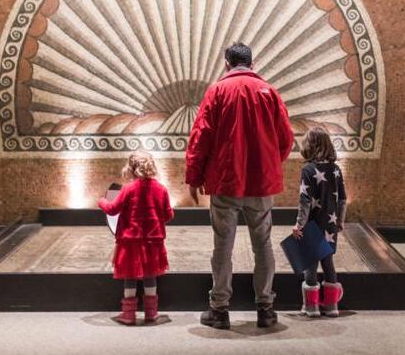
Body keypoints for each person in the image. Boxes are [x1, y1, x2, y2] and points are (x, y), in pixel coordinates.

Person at [185, 42, 294, 329]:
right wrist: (268, 163)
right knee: (263, 245)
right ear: (252, 63)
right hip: (260, 185)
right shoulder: (269, 93)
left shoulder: (217, 91)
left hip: (225, 183)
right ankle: (266, 309)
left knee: (223, 246)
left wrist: (194, 177)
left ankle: (219, 310)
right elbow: (286, 139)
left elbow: (201, 137)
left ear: (226, 64)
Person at [98, 151, 174, 325]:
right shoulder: (161, 189)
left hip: (130, 241)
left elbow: (112, 209)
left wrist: (101, 201)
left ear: (131, 169)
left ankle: (128, 315)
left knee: (129, 276)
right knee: (150, 275)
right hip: (153, 241)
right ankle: (151, 313)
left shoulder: (128, 189)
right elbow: (168, 215)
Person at [293, 127, 347, 318]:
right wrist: (340, 221)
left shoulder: (308, 170)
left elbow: (304, 201)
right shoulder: (336, 169)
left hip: (312, 224)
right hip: (330, 225)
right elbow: (342, 200)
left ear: (310, 145)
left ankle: (312, 307)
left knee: (311, 264)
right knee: (328, 262)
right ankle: (332, 306)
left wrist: (299, 225)